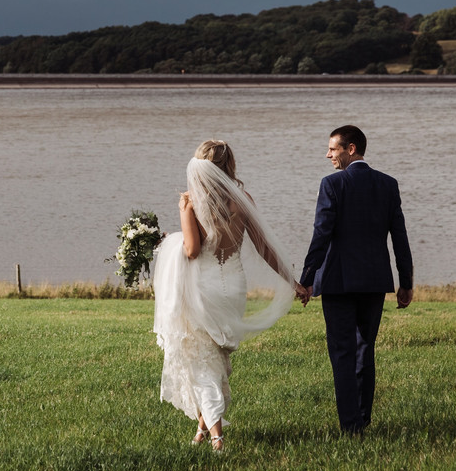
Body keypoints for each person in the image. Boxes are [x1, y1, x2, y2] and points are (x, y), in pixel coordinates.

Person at [152, 140, 302, 452]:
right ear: (229, 166)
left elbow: (192, 251)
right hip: (233, 285)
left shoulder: (191, 202)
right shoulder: (243, 200)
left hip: (203, 287)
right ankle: (201, 430)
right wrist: (292, 280)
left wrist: (168, 243)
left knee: (201, 360)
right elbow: (263, 248)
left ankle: (217, 438)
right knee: (213, 357)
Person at [296, 125, 413, 436]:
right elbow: (399, 236)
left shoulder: (332, 184)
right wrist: (406, 281)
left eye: (332, 149)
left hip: (337, 281)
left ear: (351, 149)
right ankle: (362, 419)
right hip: (375, 281)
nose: (328, 155)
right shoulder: (388, 184)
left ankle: (351, 426)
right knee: (365, 350)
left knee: (342, 352)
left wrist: (307, 278)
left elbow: (322, 233)